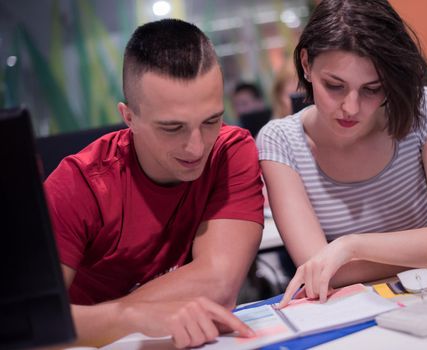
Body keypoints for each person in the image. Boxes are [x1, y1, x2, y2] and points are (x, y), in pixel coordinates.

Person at [44, 19, 264, 348]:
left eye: (211, 121)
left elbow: (219, 284)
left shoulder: (230, 150)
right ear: (129, 117)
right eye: (172, 128)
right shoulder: (78, 185)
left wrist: (103, 318)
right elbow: (33, 326)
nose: (196, 147)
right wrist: (130, 318)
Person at [256, 0, 427, 308]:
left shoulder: (423, 109)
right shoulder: (280, 141)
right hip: (354, 312)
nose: (351, 107)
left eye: (372, 89)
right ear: (306, 64)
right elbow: (321, 270)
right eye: (335, 86)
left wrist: (350, 247)